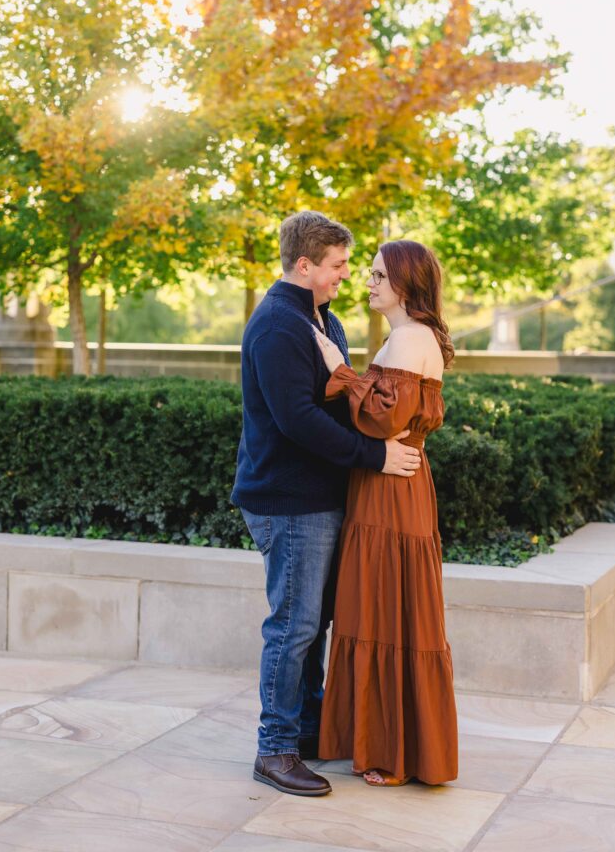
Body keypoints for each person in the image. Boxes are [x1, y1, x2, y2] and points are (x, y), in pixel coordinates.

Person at [231, 211, 422, 797]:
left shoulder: (319, 316)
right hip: (289, 501)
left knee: (313, 626)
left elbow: (335, 400)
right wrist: (375, 456)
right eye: (338, 265)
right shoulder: (277, 328)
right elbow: (299, 421)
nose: (347, 275)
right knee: (294, 626)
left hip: (319, 498)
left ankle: (306, 730)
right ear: (305, 264)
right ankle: (275, 749)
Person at [314, 239, 458, 787]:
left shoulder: (408, 337)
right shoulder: (413, 337)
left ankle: (390, 753)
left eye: (377, 275)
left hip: (390, 489)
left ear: (404, 283)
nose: (367, 282)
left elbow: (379, 422)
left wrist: (342, 372)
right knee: (391, 605)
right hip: (399, 483)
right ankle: (391, 744)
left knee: (383, 606)